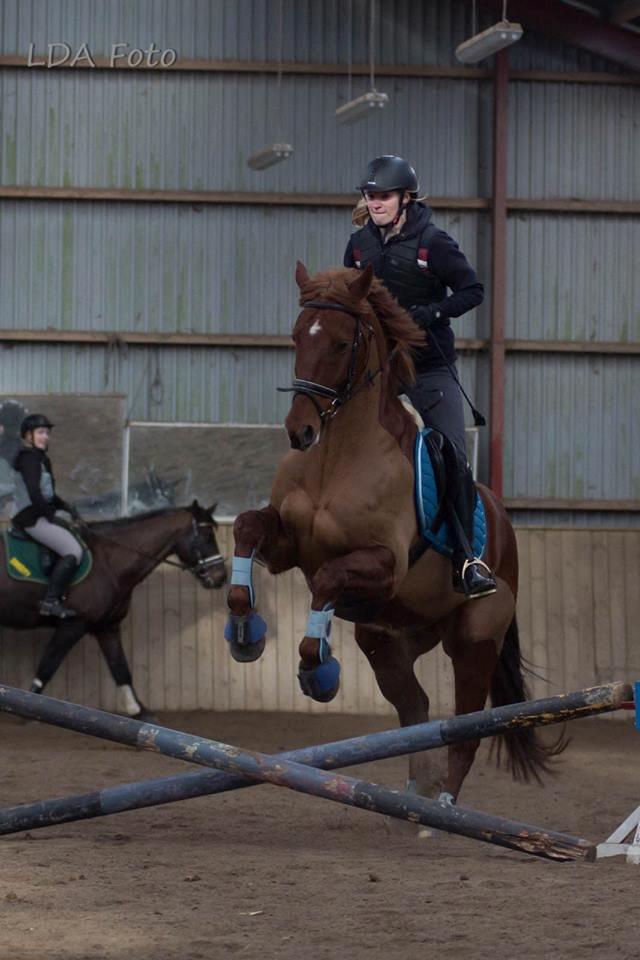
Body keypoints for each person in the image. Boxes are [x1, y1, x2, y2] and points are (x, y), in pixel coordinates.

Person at [344, 154, 497, 599]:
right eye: (370, 196)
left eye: (384, 196)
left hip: (428, 368)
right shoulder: (357, 247)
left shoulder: (434, 243)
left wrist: (433, 311)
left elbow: (473, 289)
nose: (375, 203)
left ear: (405, 198)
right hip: (379, 370)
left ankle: (468, 558)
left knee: (451, 452)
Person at [12, 414, 83, 618]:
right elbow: (34, 493)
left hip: (38, 514)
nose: (45, 437)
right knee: (73, 551)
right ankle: (50, 601)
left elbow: (48, 494)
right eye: (41, 432)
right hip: (30, 518)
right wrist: (52, 516)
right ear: (28, 435)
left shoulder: (41, 459)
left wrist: (67, 508)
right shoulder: (28, 459)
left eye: (47, 433)